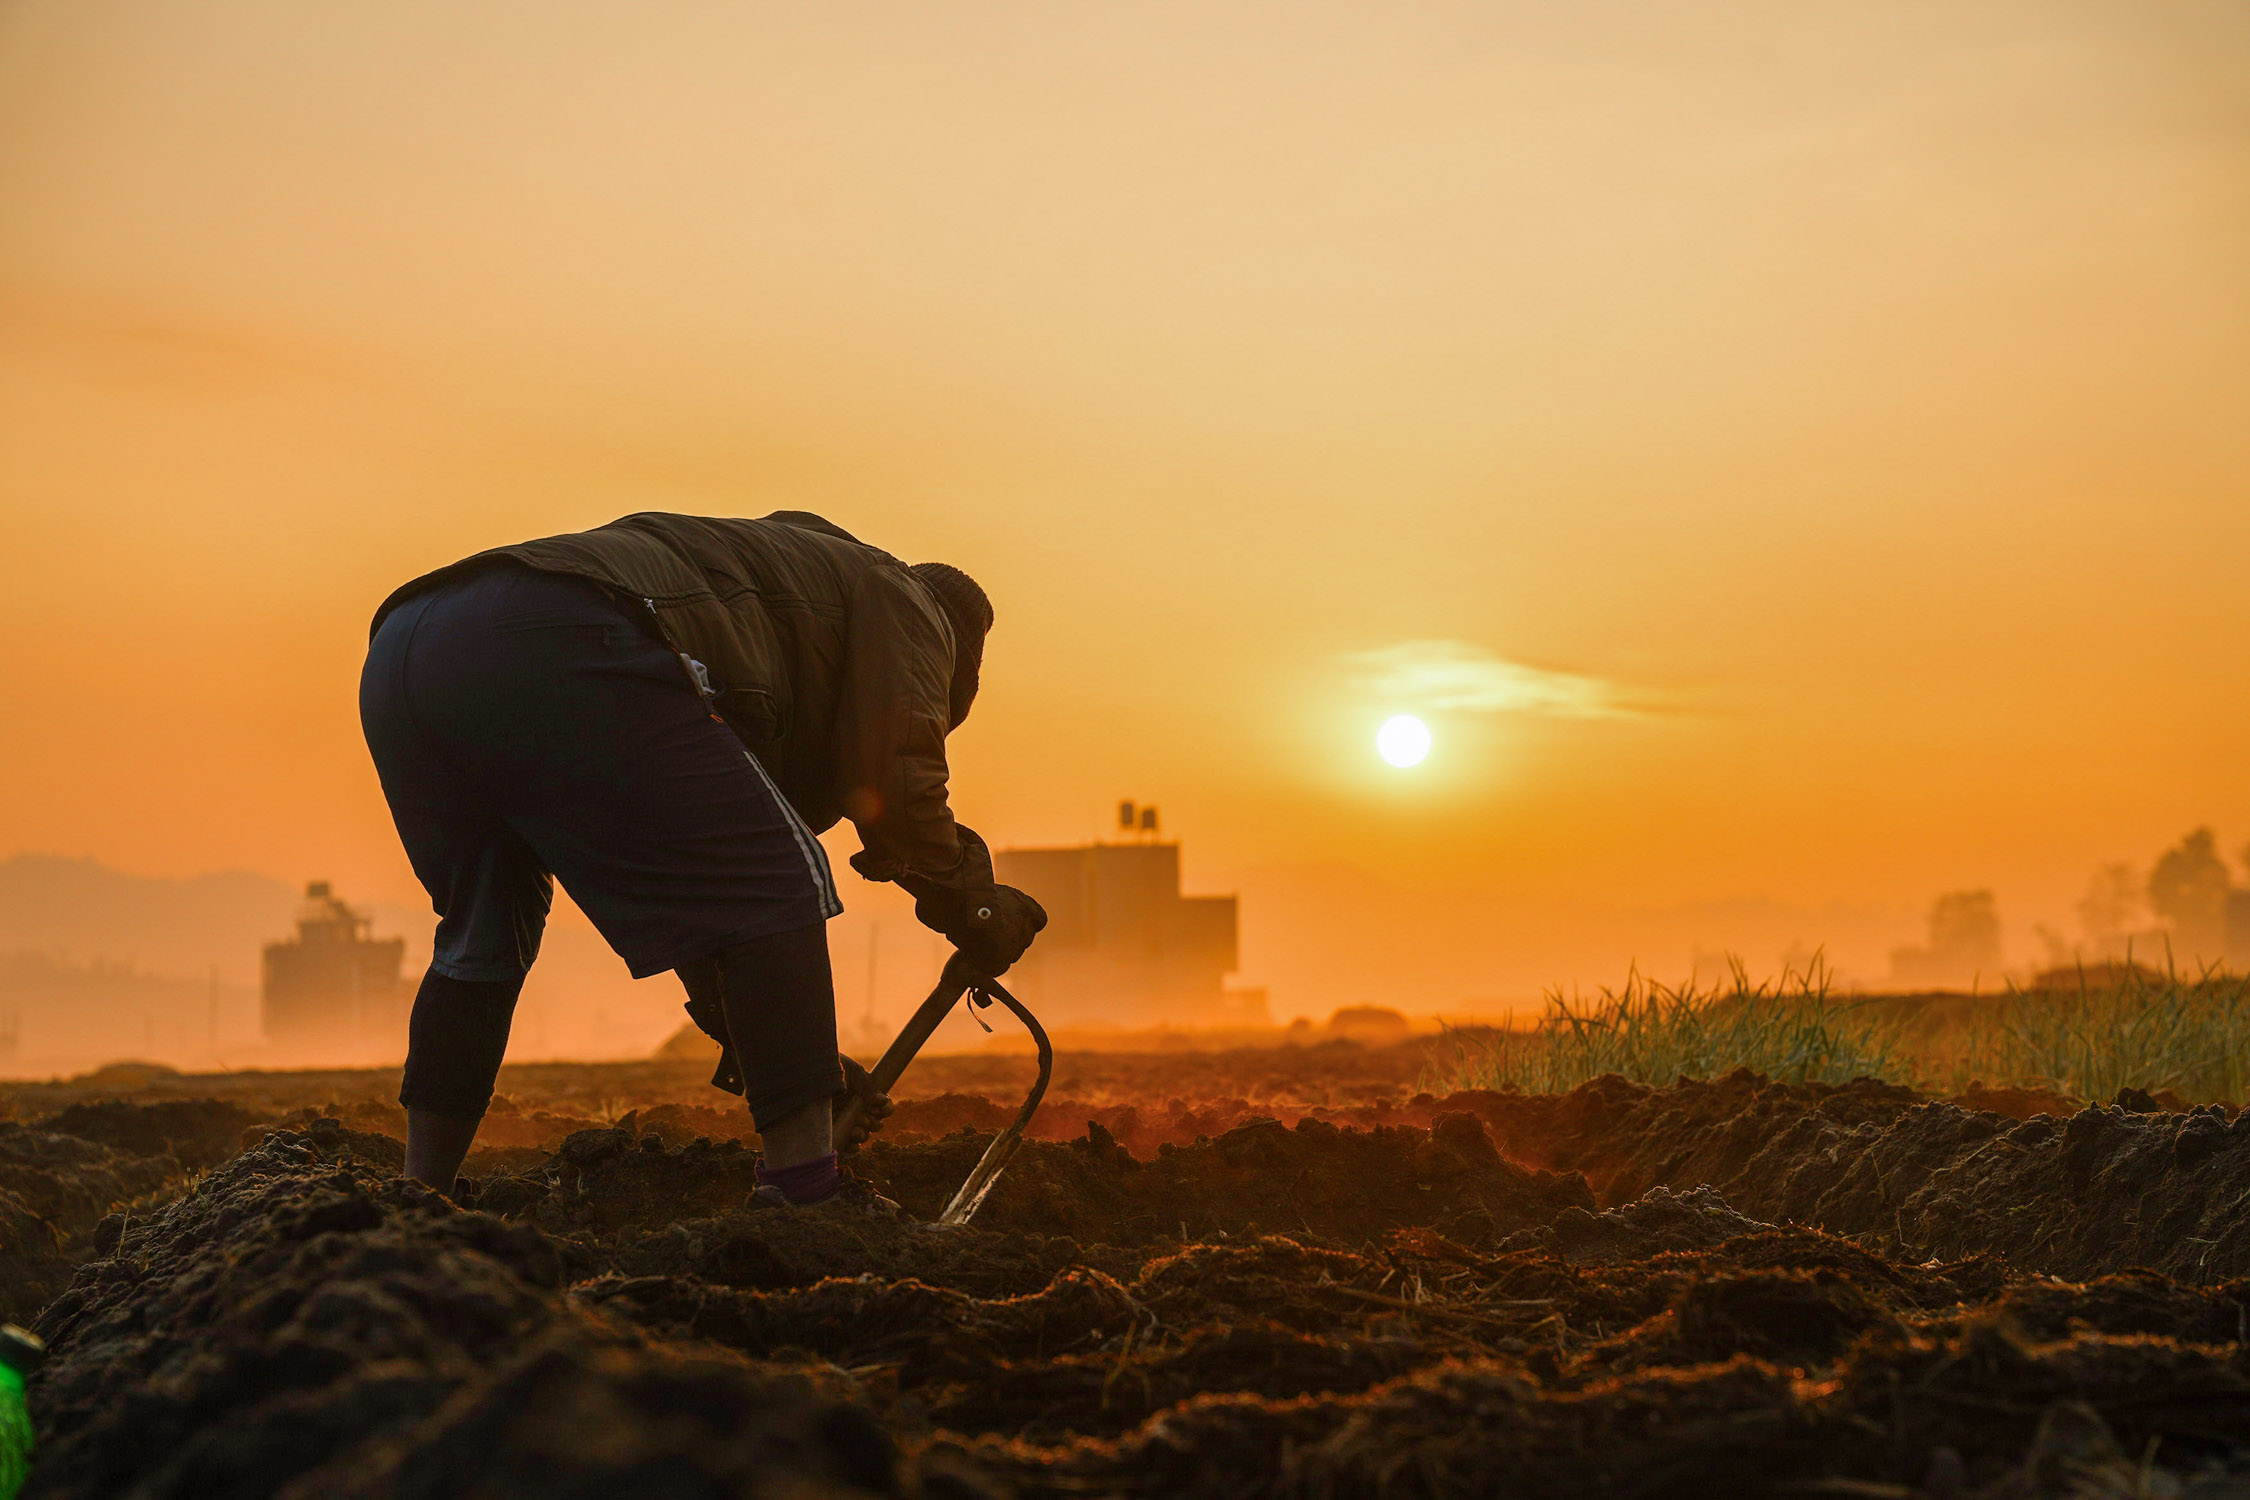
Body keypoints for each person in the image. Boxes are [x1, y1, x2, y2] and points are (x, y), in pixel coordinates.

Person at [359, 510, 1046, 1208]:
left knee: (483, 935)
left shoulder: (771, 603)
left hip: (409, 647)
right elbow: (899, 779)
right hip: (561, 625)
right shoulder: (917, 603)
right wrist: (973, 898)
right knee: (785, 881)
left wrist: (783, 1057)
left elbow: (706, 907)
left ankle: (422, 1197)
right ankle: (806, 1191)